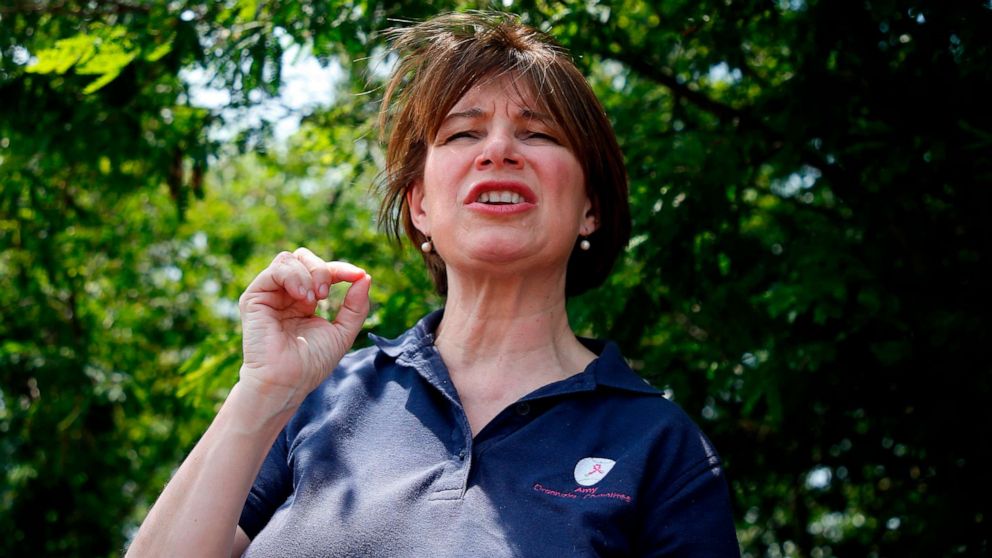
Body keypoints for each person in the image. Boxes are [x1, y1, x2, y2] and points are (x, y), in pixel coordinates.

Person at [127, 11, 740, 558]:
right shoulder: (325, 396)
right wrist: (263, 392)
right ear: (420, 205)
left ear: (591, 208)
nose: (499, 149)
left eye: (540, 133)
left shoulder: (659, 446)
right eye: (462, 133)